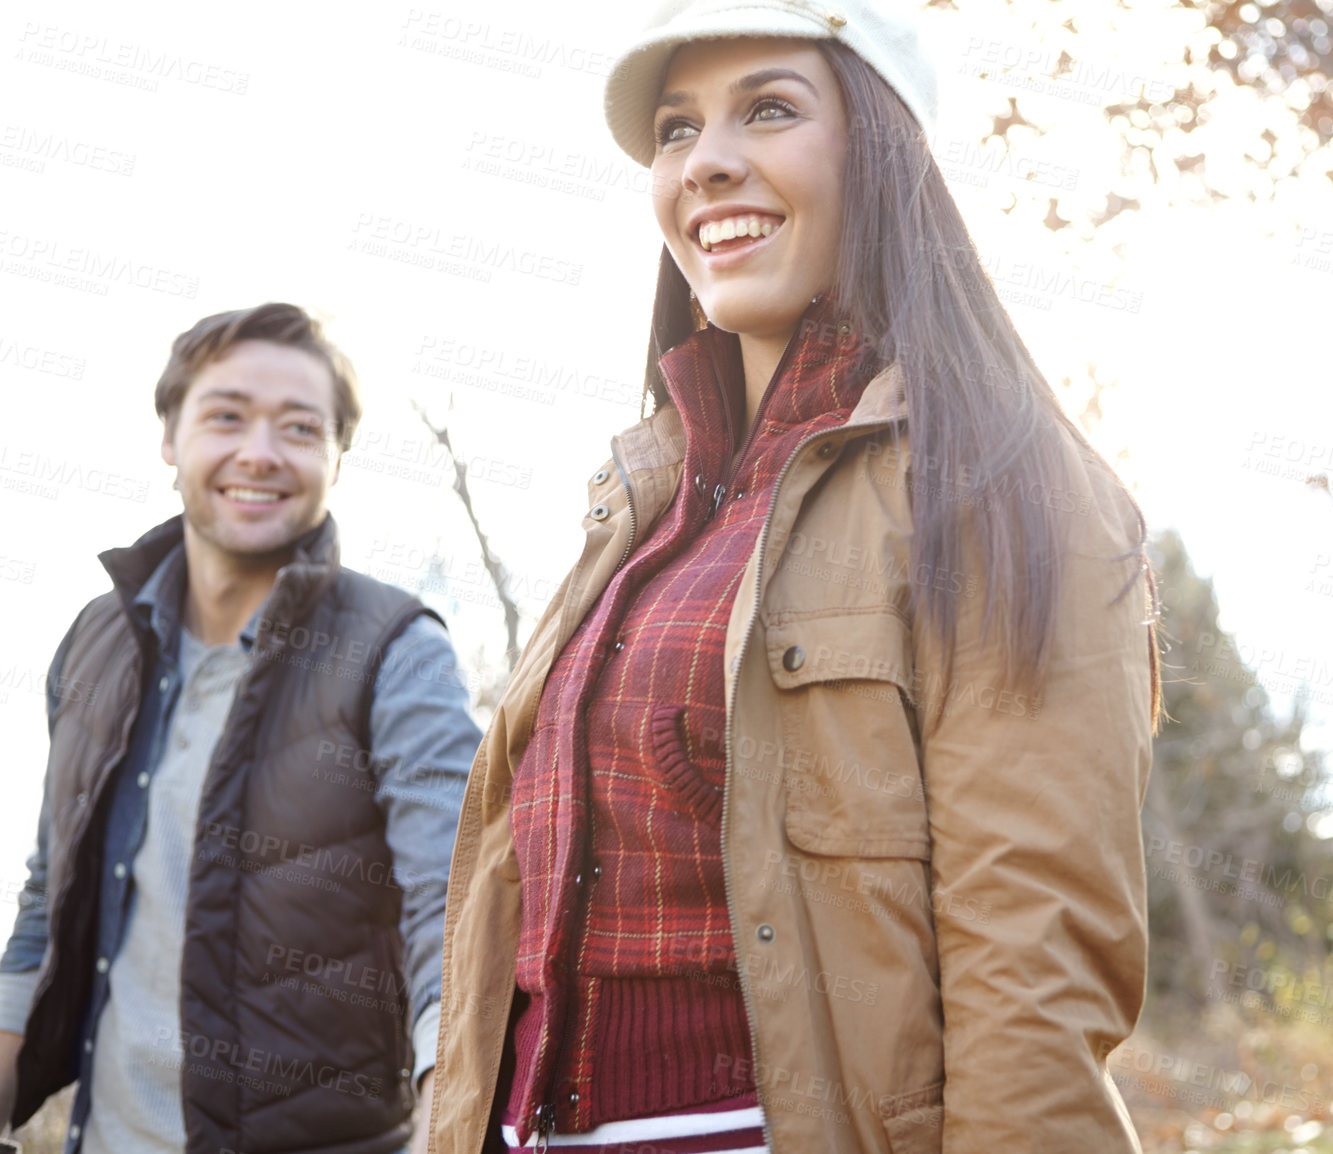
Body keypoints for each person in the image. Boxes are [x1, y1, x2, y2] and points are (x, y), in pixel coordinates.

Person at [430, 2, 1160, 1151]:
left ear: (881, 148)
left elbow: (1033, 976)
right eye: (676, 130)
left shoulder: (1002, 485)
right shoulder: (640, 504)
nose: (705, 161)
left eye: (768, 108)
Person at [0, 303, 482, 1154]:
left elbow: (455, 914)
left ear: (337, 457)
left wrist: (454, 1121)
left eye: (300, 427)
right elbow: (49, 903)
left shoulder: (397, 652)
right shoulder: (95, 643)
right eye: (226, 415)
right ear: (169, 435)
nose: (259, 452)